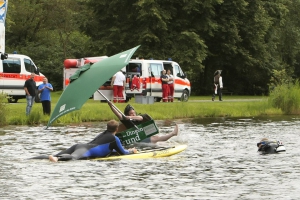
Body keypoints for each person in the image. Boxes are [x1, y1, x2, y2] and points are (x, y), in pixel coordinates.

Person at [48, 120, 137, 162]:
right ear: (117, 129)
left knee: (50, 156)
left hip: (79, 146)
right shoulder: (115, 139)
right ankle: (57, 158)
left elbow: (105, 147)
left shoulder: (102, 134)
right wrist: (131, 151)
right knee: (73, 157)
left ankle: (39, 158)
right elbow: (123, 153)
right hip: (86, 151)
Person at [108, 102, 178, 143]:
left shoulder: (137, 118)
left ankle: (171, 136)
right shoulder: (126, 120)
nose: (133, 114)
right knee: (156, 138)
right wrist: (110, 105)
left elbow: (141, 118)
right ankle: (173, 133)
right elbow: (118, 114)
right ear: (127, 114)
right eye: (131, 113)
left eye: (134, 113)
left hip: (143, 135)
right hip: (137, 139)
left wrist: (131, 117)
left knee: (156, 138)